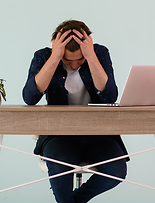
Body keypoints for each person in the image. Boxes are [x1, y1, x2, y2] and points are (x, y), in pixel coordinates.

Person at [22, 20, 129, 203]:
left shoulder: (99, 53)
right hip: (58, 135)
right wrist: (55, 58)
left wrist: (91, 56)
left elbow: (109, 96)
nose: (73, 65)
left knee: (117, 170)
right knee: (60, 167)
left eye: (80, 59)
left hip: (98, 134)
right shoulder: (43, 56)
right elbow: (30, 97)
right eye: (67, 60)